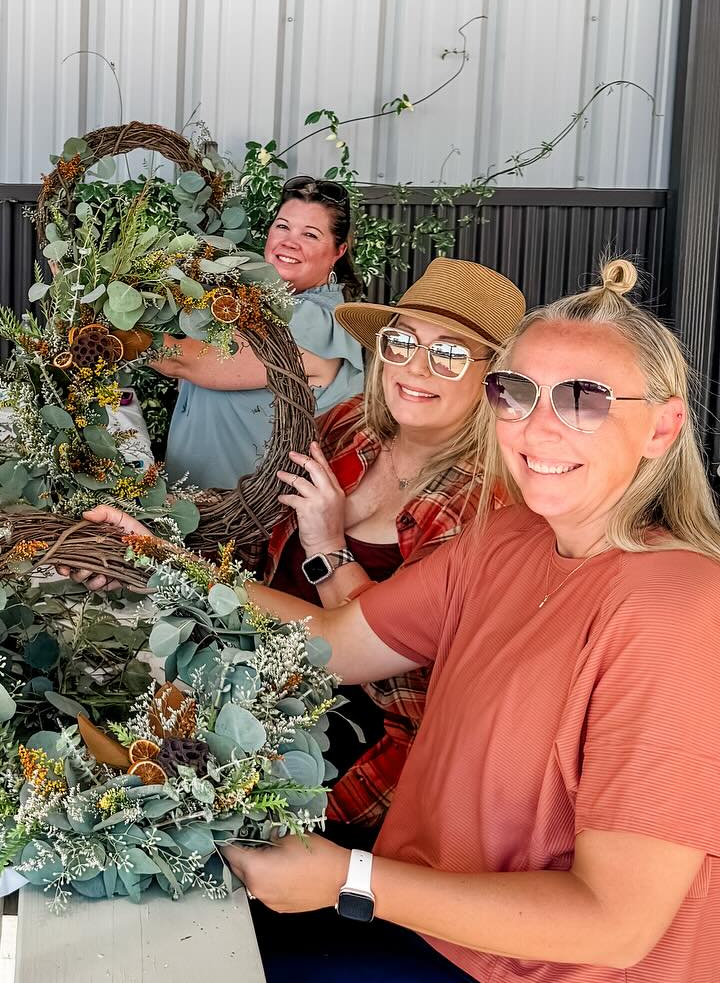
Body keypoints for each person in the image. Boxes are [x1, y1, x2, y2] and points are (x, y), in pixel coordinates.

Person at [224, 260, 720, 980]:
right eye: (517, 393)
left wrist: (348, 879)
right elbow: (335, 643)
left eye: (583, 399)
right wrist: (154, 564)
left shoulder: (680, 610)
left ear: (662, 425)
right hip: (414, 916)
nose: (539, 427)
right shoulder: (507, 535)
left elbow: (616, 923)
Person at [79, 257, 526, 848]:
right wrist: (149, 549)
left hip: (358, 748)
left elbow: (368, 649)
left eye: (449, 354)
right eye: (402, 342)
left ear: (494, 380)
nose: (414, 368)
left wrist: (328, 548)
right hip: (257, 684)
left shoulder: (477, 508)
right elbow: (259, 531)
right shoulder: (350, 427)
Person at [157, 176, 365, 490]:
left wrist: (102, 318)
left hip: (243, 521)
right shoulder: (259, 302)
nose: (289, 242)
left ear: (338, 251)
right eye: (283, 226)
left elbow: (184, 362)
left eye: (310, 234)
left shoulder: (315, 321)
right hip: (193, 507)